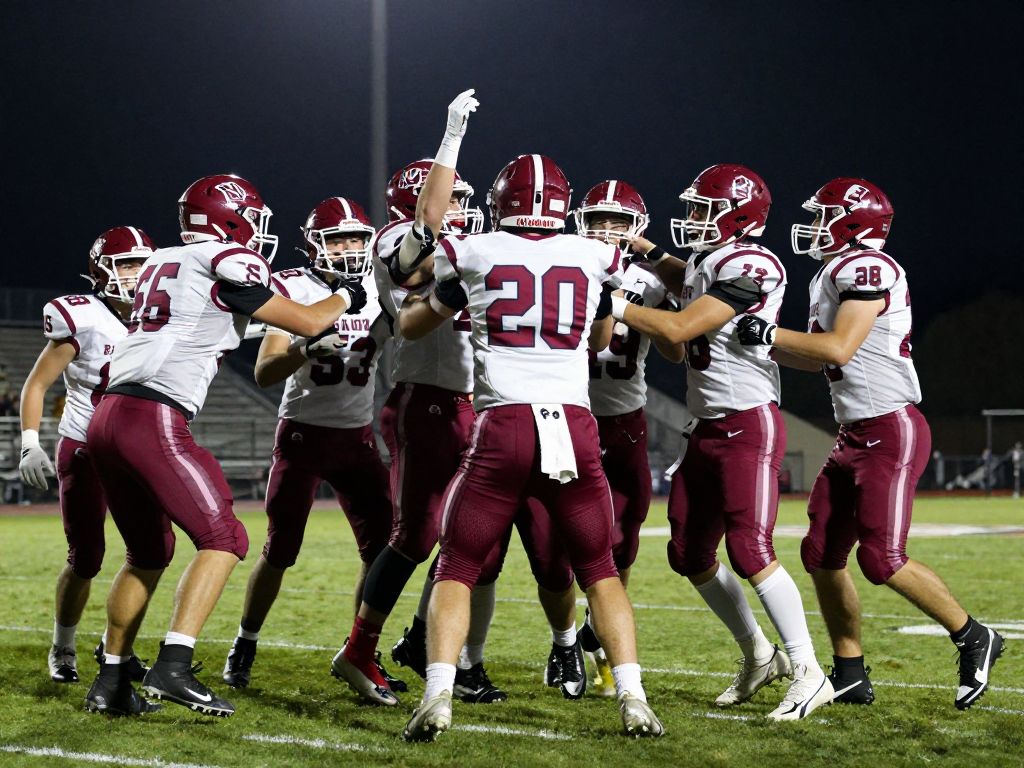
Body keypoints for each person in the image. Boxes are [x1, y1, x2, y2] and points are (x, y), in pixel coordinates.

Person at [397, 112, 665, 739]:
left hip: (503, 424)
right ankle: (632, 695)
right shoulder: (599, 253)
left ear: (498, 203)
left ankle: (439, 692)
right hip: (574, 425)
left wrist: (443, 298)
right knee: (598, 566)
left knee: (457, 565)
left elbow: (413, 313)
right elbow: (601, 337)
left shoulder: (475, 249)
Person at [83, 174, 366, 717]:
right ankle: (173, 665)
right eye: (253, 219)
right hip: (153, 414)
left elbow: (204, 320)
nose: (259, 232)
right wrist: (347, 294)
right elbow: (308, 318)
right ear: (231, 218)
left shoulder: (164, 259)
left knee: (148, 553)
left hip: (109, 414)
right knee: (224, 537)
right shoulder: (228, 259)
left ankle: (112, 681)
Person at [736, 177, 1004, 710]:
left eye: (822, 216)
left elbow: (837, 347)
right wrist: (752, 348)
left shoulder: (867, 267)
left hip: (890, 428)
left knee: (882, 559)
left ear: (852, 222)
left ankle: (974, 635)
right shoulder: (830, 274)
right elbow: (814, 357)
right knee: (820, 554)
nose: (811, 227)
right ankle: (850, 671)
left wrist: (767, 333)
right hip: (855, 433)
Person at [609, 164, 832, 720]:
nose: (693, 218)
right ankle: (759, 653)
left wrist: (607, 299)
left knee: (750, 548)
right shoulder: (712, 262)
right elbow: (687, 273)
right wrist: (646, 248)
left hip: (747, 421)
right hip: (707, 425)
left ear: (736, 215)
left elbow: (682, 329)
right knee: (687, 552)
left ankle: (808, 670)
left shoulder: (752, 262)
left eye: (703, 208)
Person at [332, 118, 506, 705]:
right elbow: (421, 250)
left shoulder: (467, 249)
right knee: (415, 535)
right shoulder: (393, 242)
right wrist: (451, 138)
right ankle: (359, 649)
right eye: (453, 196)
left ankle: (421, 642)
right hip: (424, 402)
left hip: (469, 404)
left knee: (471, 536)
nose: (464, 206)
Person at [222, 197, 394, 689]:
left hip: (358, 437)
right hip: (302, 433)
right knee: (281, 549)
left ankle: (361, 649)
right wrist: (304, 346)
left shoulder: (378, 286)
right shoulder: (293, 286)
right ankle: (245, 640)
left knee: (383, 547)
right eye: (337, 238)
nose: (348, 248)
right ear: (315, 243)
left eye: (357, 238)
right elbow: (264, 371)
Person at [19, 226, 155, 685]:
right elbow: (37, 384)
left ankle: (117, 647)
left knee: (152, 549)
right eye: (126, 264)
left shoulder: (161, 315)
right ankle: (62, 645)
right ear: (102, 271)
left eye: (142, 263)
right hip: (84, 444)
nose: (136, 274)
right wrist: (30, 441)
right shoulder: (86, 318)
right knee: (88, 556)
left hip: (137, 446)